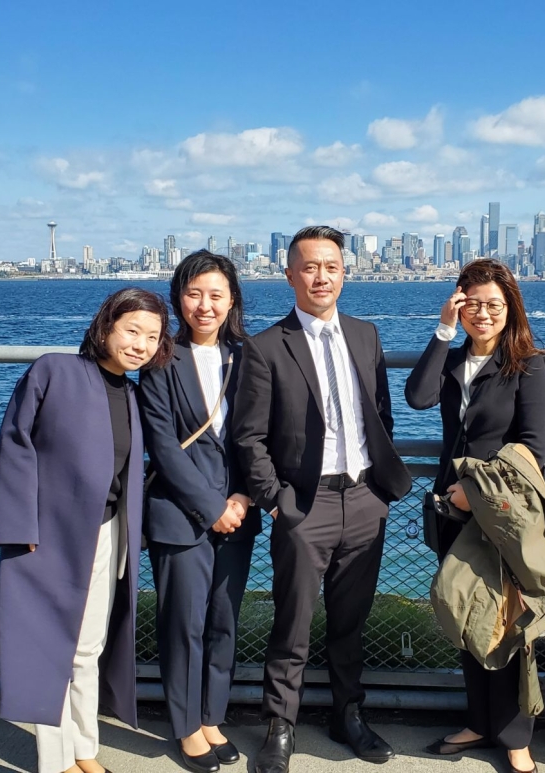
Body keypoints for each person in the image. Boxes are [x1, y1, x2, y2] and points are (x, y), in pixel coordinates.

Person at [231, 225, 413, 773]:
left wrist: (379, 491)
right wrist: (276, 501)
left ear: (344, 272)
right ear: (289, 275)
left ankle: (347, 715)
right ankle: (279, 726)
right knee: (293, 622)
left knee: (350, 621)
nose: (321, 276)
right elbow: (249, 436)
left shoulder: (366, 334)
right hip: (303, 505)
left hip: (363, 498)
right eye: (309, 267)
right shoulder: (265, 347)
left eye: (331, 266)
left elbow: (380, 413)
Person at [0, 288, 172, 773]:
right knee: (52, 647)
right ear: (105, 326)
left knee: (88, 648)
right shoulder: (53, 370)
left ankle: (84, 750)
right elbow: (15, 445)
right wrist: (18, 526)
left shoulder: (135, 396)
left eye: (152, 337)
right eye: (131, 330)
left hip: (109, 535)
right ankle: (56, 762)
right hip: (48, 535)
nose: (140, 344)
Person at [404, 258, 545, 773]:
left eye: (494, 304)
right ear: (460, 303)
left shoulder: (527, 365)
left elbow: (534, 447)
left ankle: (515, 736)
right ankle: (480, 720)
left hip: (501, 514)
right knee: (468, 617)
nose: (483, 314)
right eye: (474, 304)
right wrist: (444, 330)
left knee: (508, 623)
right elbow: (417, 396)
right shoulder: (453, 358)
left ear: (511, 307)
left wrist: (475, 489)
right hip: (452, 513)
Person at [139, 251, 261, 773]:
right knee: (182, 624)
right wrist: (212, 506)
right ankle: (186, 725)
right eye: (194, 294)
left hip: (239, 510)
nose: (204, 305)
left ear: (232, 299)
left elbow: (262, 434)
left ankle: (213, 715)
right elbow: (163, 446)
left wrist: (246, 496)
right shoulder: (160, 360)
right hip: (180, 513)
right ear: (178, 298)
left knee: (223, 621)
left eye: (216, 294)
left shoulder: (248, 356)